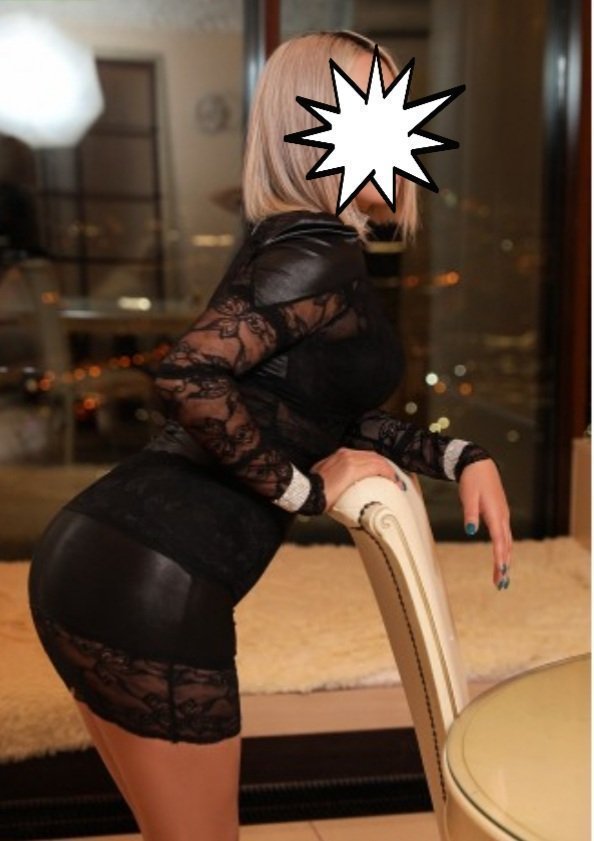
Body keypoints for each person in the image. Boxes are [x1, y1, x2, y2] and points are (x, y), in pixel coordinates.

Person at [27, 30, 512, 841]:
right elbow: (191, 376)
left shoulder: (296, 244)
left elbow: (326, 414)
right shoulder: (315, 251)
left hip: (103, 558)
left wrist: (462, 456)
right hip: (152, 579)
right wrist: (303, 492)